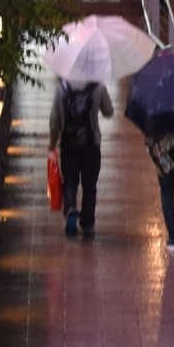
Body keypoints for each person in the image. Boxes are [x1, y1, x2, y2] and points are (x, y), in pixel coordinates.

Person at [48, 75, 115, 239]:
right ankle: (88, 224)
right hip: (91, 145)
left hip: (68, 144)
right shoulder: (98, 87)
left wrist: (52, 144)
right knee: (90, 185)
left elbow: (54, 120)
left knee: (70, 181)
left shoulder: (62, 89)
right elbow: (109, 111)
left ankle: (70, 209)